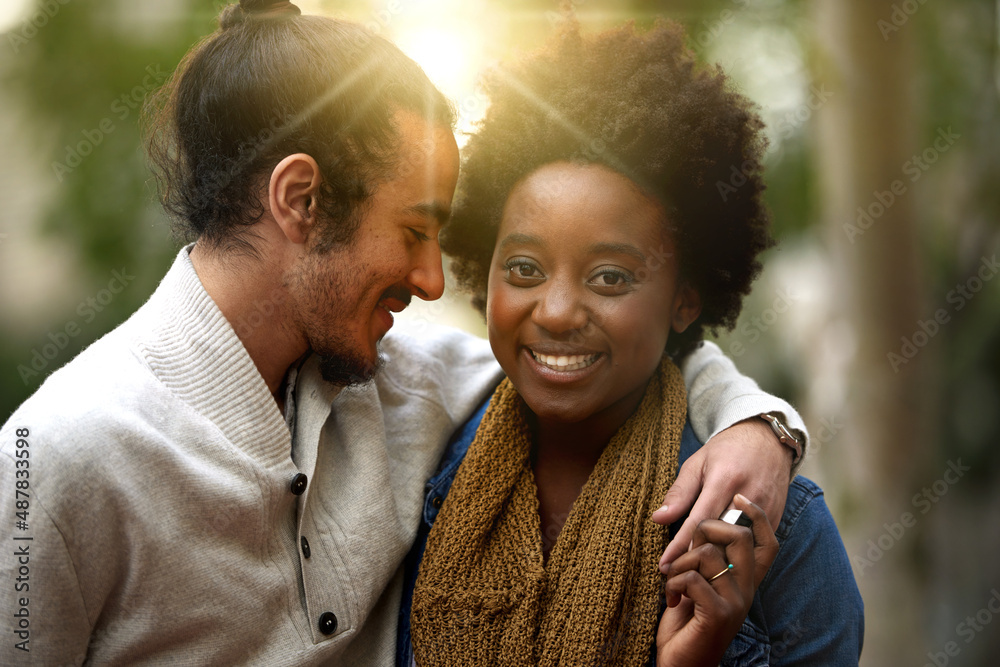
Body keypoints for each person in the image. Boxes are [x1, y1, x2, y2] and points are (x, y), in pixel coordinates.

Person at [1, 2, 812, 664]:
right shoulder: (57, 458)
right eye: (415, 230)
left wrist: (759, 427)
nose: (432, 279)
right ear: (300, 200)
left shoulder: (406, 386)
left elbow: (609, 349)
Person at [401, 18, 864, 666]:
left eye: (610, 277)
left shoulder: (776, 531)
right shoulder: (417, 464)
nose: (557, 311)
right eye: (525, 269)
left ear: (685, 298)